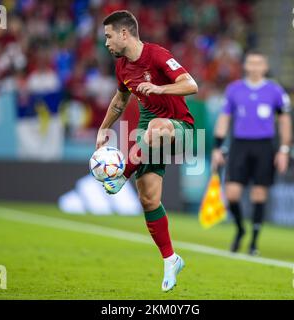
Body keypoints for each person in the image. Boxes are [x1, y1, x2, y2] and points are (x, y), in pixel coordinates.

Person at [96, 10, 198, 292]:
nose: (106, 43)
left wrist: (158, 89)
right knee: (149, 200)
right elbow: (120, 100)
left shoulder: (157, 55)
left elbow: (192, 85)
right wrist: (104, 129)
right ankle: (170, 259)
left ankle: (121, 175)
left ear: (124, 34)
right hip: (148, 133)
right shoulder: (122, 68)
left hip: (179, 128)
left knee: (154, 126)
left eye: (109, 36)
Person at [211, 51, 292, 256]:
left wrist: (283, 150)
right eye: (251, 63)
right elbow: (224, 118)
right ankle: (240, 229)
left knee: (259, 194)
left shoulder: (275, 90)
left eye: (259, 63)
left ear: (265, 67)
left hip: (264, 146)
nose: (255, 66)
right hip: (240, 145)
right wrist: (217, 147)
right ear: (245, 66)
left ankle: (254, 243)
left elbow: (284, 121)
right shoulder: (234, 89)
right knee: (232, 194)